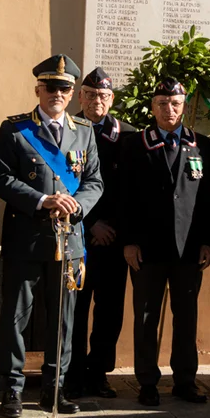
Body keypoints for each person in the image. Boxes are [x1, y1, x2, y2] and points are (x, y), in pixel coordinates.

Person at [0, 54, 104, 418]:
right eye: (50, 86)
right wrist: (42, 200)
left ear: (73, 93)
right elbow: (2, 178)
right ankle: (12, 388)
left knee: (63, 318)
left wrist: (75, 204)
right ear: (37, 89)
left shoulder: (84, 132)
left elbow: (94, 182)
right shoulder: (14, 130)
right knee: (16, 316)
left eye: (64, 88)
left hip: (68, 241)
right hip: (26, 237)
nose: (57, 93)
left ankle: (55, 388)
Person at [120, 78, 210, 407]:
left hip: (189, 248)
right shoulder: (134, 145)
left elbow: (207, 200)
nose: (168, 109)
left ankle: (185, 380)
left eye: (175, 103)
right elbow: (124, 197)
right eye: (162, 103)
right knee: (146, 316)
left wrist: (206, 242)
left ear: (184, 106)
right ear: (152, 107)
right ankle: (147, 381)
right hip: (147, 248)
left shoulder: (201, 145)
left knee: (186, 316)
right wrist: (129, 241)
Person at [65, 67, 135, 400]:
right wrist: (91, 223)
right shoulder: (66, 130)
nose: (97, 101)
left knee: (109, 310)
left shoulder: (128, 136)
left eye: (104, 96)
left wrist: (114, 229)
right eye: (91, 95)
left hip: (113, 241)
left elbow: (130, 192)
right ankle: (73, 374)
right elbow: (65, 183)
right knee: (75, 309)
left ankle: (99, 374)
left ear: (112, 99)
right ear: (80, 97)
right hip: (78, 234)